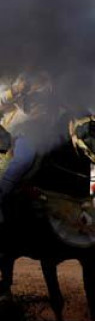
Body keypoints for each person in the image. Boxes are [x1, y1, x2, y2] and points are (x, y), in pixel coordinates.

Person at [0, 73, 54, 224]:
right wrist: (15, 90)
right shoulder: (12, 78)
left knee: (27, 158)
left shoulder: (47, 80)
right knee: (22, 160)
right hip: (6, 133)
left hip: (31, 133)